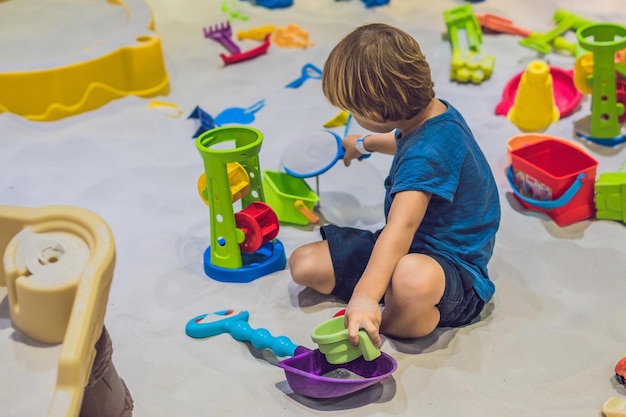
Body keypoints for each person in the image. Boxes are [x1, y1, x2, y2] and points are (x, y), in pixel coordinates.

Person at [288, 23, 501, 348]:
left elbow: (401, 228)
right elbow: (404, 139)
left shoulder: (426, 158)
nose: (351, 115)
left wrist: (363, 298)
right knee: (305, 265)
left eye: (353, 111)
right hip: (410, 248)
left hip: (452, 270)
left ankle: (396, 319)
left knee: (410, 278)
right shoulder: (432, 113)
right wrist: (363, 144)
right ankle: (391, 296)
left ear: (375, 111)